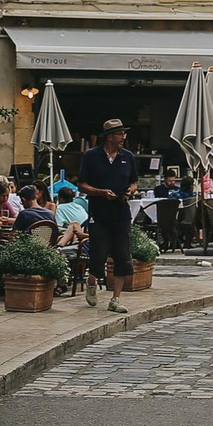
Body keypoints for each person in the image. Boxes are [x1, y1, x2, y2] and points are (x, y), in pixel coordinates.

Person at [75, 117, 140, 314]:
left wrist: (130, 190)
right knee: (98, 253)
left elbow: (134, 182)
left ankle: (115, 299)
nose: (124, 137)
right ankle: (92, 281)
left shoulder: (127, 157)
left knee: (123, 255)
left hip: (121, 211)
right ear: (110, 136)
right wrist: (101, 192)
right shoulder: (91, 156)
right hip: (99, 212)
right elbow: (82, 184)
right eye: (120, 133)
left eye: (124, 133)